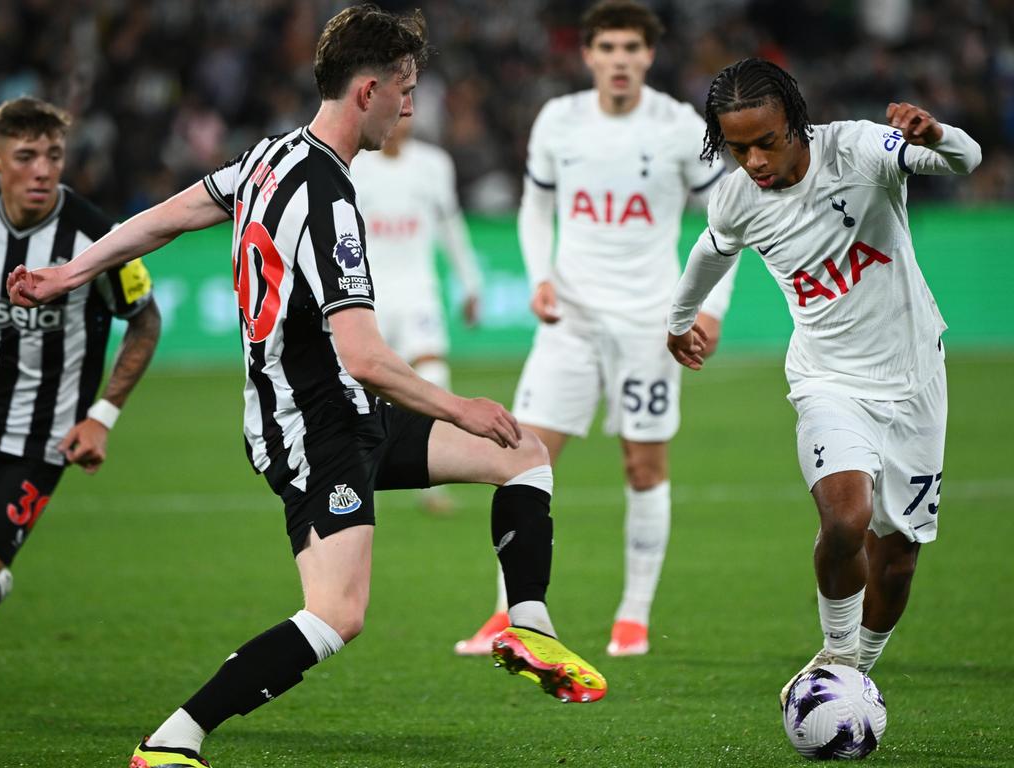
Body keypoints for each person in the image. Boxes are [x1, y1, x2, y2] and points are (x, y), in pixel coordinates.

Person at [8, 7, 607, 767]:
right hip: (308, 425)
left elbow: (172, 214)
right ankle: (174, 738)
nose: (412, 105)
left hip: (349, 411)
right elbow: (362, 354)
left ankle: (528, 624)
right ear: (367, 91)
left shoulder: (269, 157)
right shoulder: (329, 201)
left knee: (523, 453)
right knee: (337, 614)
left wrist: (71, 268)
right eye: (405, 88)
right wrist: (461, 405)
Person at [664, 58, 981, 706]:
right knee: (846, 519)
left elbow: (966, 161)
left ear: (797, 124)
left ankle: (854, 675)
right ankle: (835, 657)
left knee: (898, 558)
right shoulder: (736, 197)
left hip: (916, 376)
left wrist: (937, 135)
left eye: (765, 142)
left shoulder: (863, 150)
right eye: (737, 146)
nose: (752, 160)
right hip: (827, 380)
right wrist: (678, 318)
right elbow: (708, 253)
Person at [455, 0, 735, 658]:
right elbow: (535, 206)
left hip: (650, 327)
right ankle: (505, 614)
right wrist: (539, 276)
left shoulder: (678, 127)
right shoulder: (560, 120)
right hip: (570, 322)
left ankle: (633, 615)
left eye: (631, 49)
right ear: (587, 54)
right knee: (519, 459)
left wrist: (711, 308)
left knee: (644, 467)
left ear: (649, 55)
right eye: (607, 48)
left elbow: (730, 218)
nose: (619, 60)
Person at [0, 96, 160, 617]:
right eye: (25, 156)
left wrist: (101, 418)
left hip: (40, 442)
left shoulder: (97, 238)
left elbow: (145, 321)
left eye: (54, 155)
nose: (42, 170)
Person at [350, 115, 483, 514]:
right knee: (362, 386)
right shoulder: (354, 165)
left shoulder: (434, 164)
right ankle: (355, 474)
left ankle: (430, 486)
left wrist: (470, 283)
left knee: (433, 375)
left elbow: (451, 227)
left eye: (405, 115)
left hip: (418, 291)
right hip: (367, 294)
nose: (397, 123)